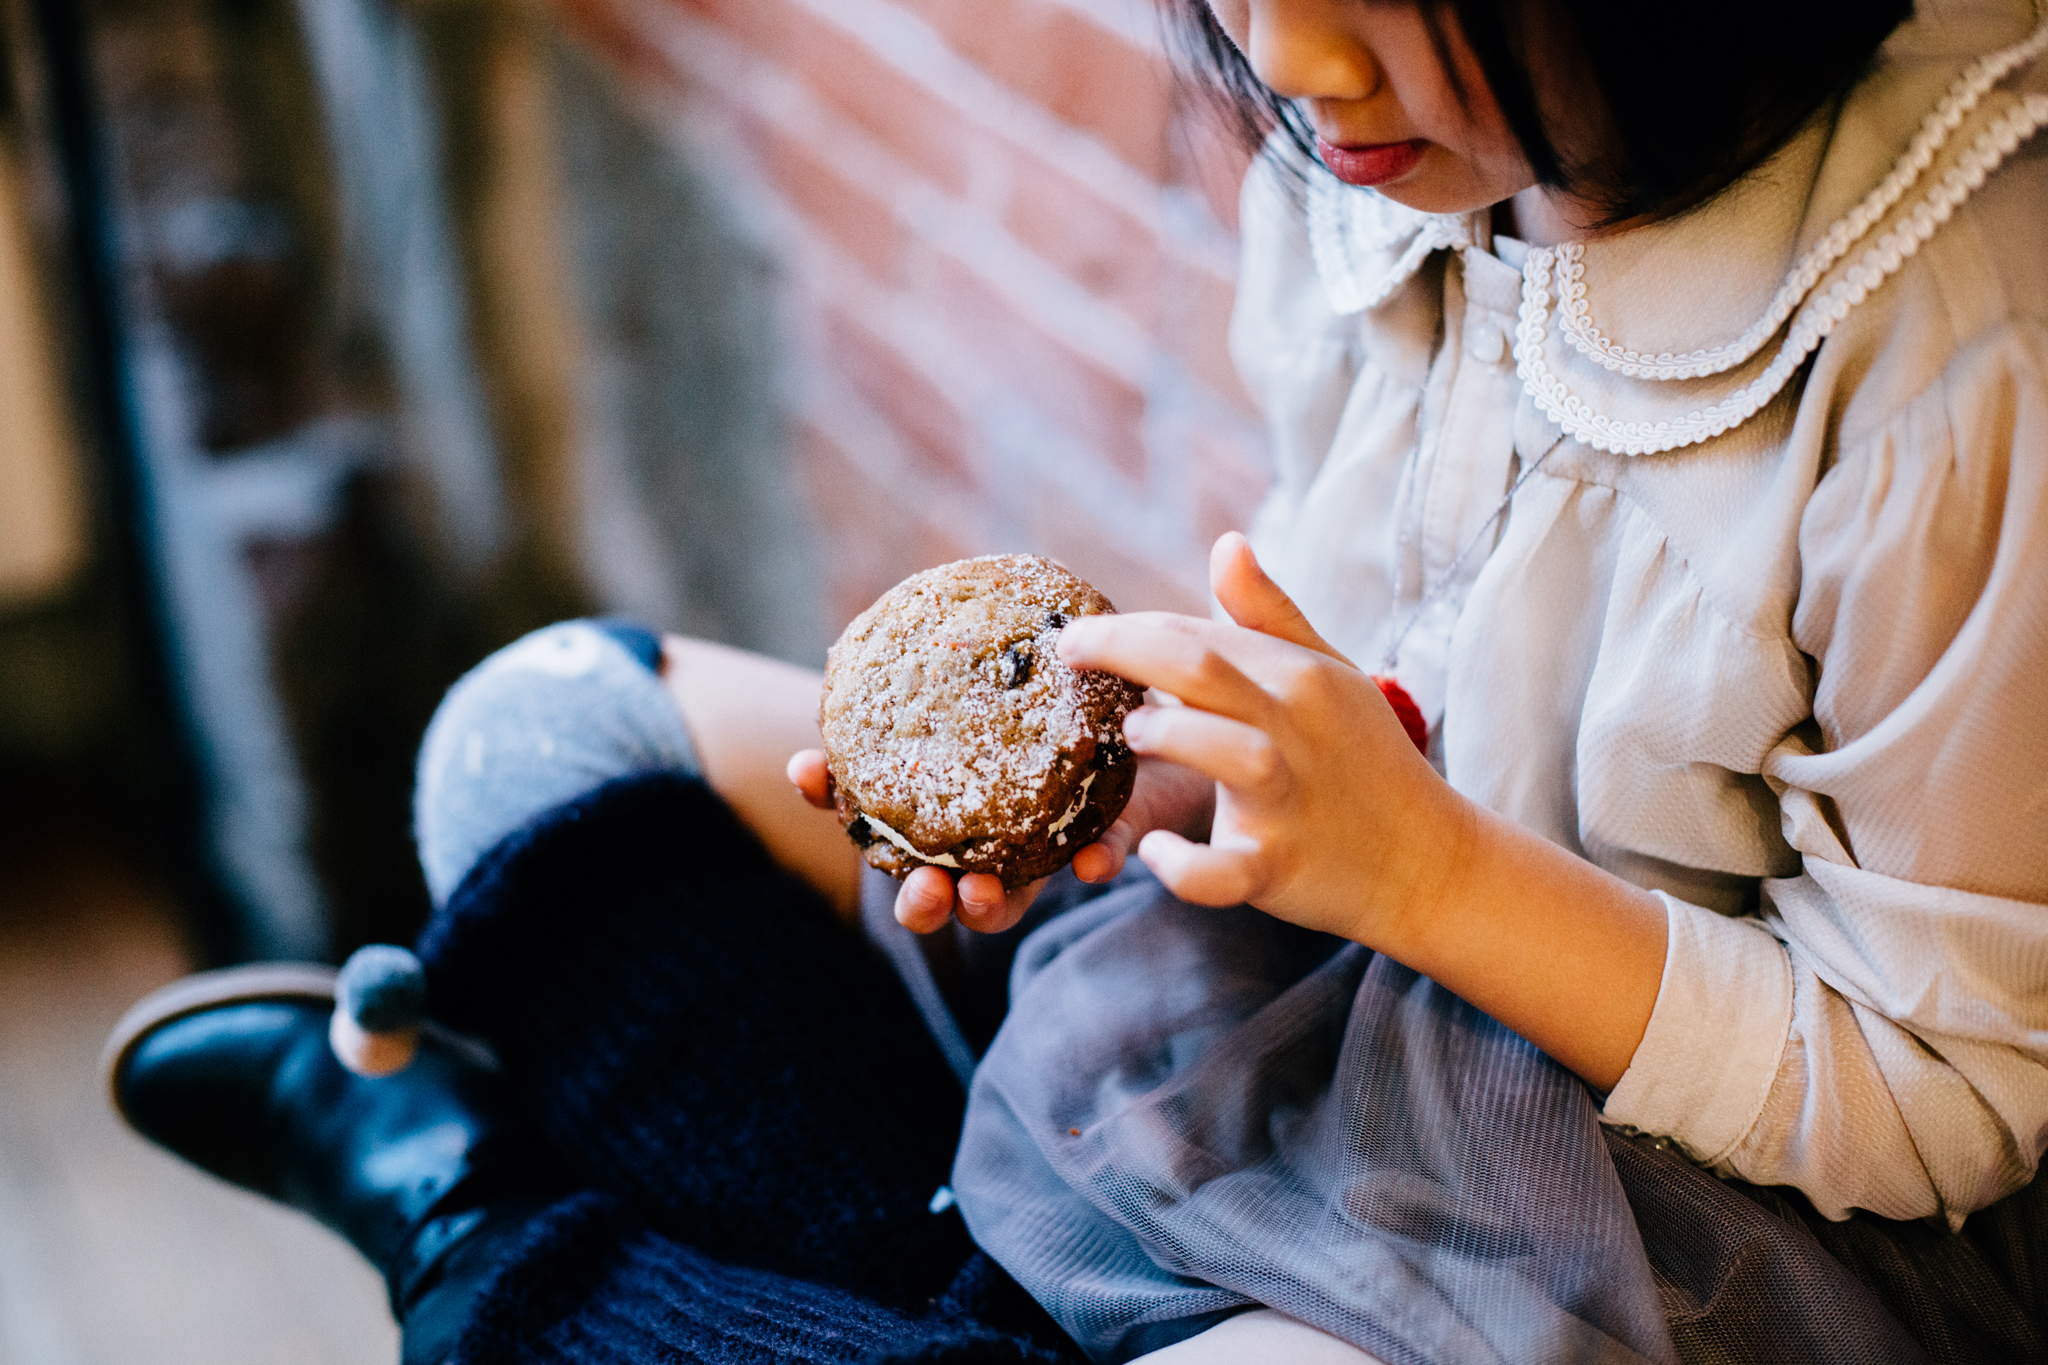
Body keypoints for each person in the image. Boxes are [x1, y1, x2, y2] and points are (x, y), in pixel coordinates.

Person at [103, 0, 2048, 1360]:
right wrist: (1184, 773)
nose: (1287, 57)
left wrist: (1430, 874)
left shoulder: (1961, 357)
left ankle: (468, 1224)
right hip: (1324, 972)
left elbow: (1936, 1094)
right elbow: (1372, 660)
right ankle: (953, 1312)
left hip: (1662, 1206)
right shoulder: (1377, 160)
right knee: (538, 738)